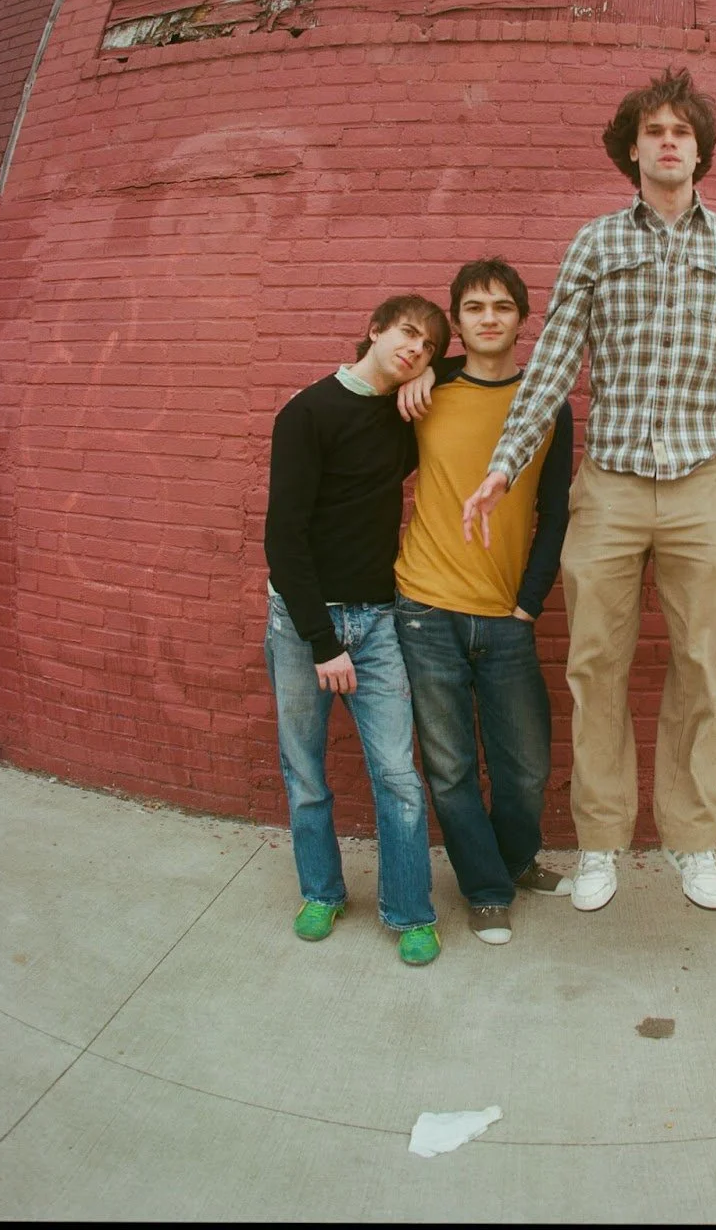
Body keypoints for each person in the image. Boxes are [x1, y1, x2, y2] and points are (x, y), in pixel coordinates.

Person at [460, 68, 716, 915]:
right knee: (595, 667)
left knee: (700, 668)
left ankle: (692, 843)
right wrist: (505, 465)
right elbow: (553, 366)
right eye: (655, 131)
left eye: (683, 131)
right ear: (634, 150)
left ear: (700, 149)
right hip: (608, 486)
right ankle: (602, 843)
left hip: (701, 489)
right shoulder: (595, 244)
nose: (670, 142)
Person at [263, 294, 450, 966]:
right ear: (374, 330)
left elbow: (477, 366)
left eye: (428, 346)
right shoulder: (308, 412)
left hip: (376, 620)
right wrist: (323, 643)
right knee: (305, 772)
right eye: (407, 334)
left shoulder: (403, 414)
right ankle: (322, 892)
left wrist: (435, 372)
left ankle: (409, 911)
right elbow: (283, 537)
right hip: (302, 623)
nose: (415, 349)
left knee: (398, 774)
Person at [394, 258, 574, 946]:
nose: (489, 317)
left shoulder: (547, 404)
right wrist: (416, 373)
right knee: (450, 767)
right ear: (458, 322)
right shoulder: (427, 391)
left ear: (523, 318)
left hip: (505, 615)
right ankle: (486, 888)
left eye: (502, 306)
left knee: (525, 765)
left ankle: (517, 859)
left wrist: (529, 604)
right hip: (425, 607)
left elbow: (555, 513)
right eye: (474, 307)